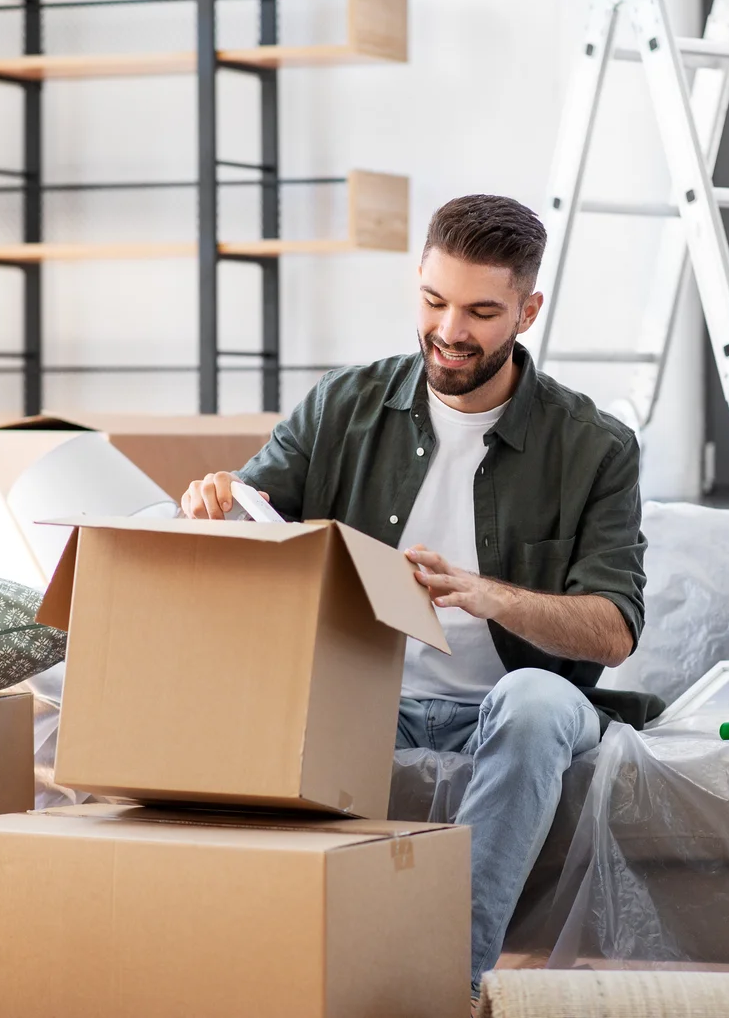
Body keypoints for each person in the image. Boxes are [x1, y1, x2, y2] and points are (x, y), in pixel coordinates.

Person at [181, 194, 649, 996]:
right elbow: (252, 518)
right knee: (247, 697)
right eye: (434, 300)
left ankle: (443, 987)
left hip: (518, 706)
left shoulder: (595, 445)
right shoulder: (343, 405)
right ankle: (240, 971)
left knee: (534, 700)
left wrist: (486, 595)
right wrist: (215, 504)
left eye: (481, 311)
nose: (450, 330)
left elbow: (613, 631)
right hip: (372, 696)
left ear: (527, 310)